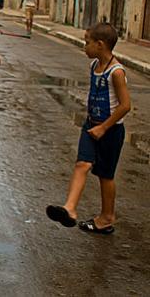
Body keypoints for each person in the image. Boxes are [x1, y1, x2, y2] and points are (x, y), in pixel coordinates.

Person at [46, 23, 130, 235]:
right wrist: (94, 125)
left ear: (100, 45)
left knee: (105, 175)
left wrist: (103, 127)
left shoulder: (116, 72)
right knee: (82, 163)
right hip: (91, 125)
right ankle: (70, 209)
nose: (85, 47)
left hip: (110, 131)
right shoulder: (95, 66)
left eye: (87, 42)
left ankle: (107, 218)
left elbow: (125, 106)